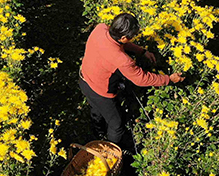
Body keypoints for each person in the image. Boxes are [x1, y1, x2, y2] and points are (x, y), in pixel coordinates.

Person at [78, 13, 183, 151]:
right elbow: (141, 78)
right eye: (130, 37)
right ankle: (109, 152)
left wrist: (141, 51)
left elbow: (120, 44)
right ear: (123, 37)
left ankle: (97, 133)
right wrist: (168, 79)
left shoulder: (100, 28)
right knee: (117, 125)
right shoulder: (122, 60)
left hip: (84, 78)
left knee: (97, 110)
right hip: (101, 91)